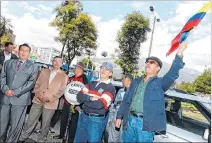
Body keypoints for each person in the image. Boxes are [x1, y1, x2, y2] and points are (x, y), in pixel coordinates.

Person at [115, 41, 188, 142]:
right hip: (130, 120)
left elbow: (172, 74)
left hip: (145, 125)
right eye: (147, 62)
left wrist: (179, 53)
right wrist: (119, 117)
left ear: (158, 68)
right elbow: (126, 100)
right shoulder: (136, 82)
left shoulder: (160, 83)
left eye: (152, 62)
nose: (148, 63)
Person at [18, 56, 68, 142]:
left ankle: (41, 139)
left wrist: (51, 98)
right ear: (52, 62)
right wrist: (38, 94)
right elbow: (37, 84)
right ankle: (23, 137)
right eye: (55, 61)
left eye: (59, 62)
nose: (56, 63)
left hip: (51, 103)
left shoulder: (64, 76)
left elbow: (61, 91)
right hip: (38, 99)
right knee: (31, 120)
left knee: (45, 123)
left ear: (62, 64)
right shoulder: (44, 71)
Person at [0, 43, 38, 143]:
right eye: (22, 50)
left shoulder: (34, 67)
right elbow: (2, 77)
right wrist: (5, 89)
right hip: (5, 98)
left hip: (20, 100)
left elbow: (31, 83)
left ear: (29, 53)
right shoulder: (8, 63)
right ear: (18, 51)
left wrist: (15, 92)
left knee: (15, 126)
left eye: (26, 51)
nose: (23, 52)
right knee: (1, 124)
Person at [74, 62, 116, 143]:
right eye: (102, 68)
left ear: (110, 73)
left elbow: (99, 105)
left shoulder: (110, 88)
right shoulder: (91, 83)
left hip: (96, 120)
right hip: (83, 116)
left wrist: (84, 101)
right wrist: (91, 98)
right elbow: (79, 96)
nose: (103, 70)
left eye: (106, 69)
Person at [53, 62, 88, 142]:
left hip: (76, 105)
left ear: (80, 69)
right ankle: (61, 135)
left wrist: (80, 105)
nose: (74, 69)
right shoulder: (71, 78)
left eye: (76, 67)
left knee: (73, 123)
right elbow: (66, 89)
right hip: (67, 103)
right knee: (64, 119)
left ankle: (70, 139)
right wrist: (64, 99)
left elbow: (85, 93)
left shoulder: (85, 80)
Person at [106, 73, 133, 142]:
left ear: (128, 80)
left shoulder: (134, 92)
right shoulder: (120, 91)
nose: (122, 81)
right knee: (112, 139)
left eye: (123, 79)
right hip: (115, 118)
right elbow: (114, 106)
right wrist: (111, 119)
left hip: (126, 122)